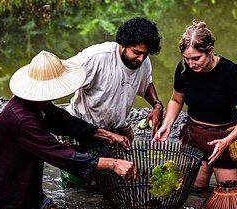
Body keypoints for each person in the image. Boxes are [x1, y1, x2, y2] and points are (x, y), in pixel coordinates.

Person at [0, 50, 137, 209]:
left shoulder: (37, 104)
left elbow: (64, 122)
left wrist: (108, 135)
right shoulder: (23, 120)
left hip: (25, 185)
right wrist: (114, 163)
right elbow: (61, 155)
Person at [153, 20, 237, 192]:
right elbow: (176, 100)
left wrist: (227, 141)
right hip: (194, 136)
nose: (191, 65)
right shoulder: (184, 69)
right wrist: (166, 125)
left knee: (230, 194)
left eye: (196, 59)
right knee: (191, 193)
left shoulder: (231, 72)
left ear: (210, 52)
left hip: (225, 137)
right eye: (186, 59)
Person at [63, 17, 164, 187]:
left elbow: (145, 84)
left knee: (114, 184)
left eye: (145, 54)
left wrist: (157, 104)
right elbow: (61, 75)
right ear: (123, 44)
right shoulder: (96, 58)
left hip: (119, 132)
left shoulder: (143, 62)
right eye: (136, 53)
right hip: (84, 128)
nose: (140, 59)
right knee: (77, 186)